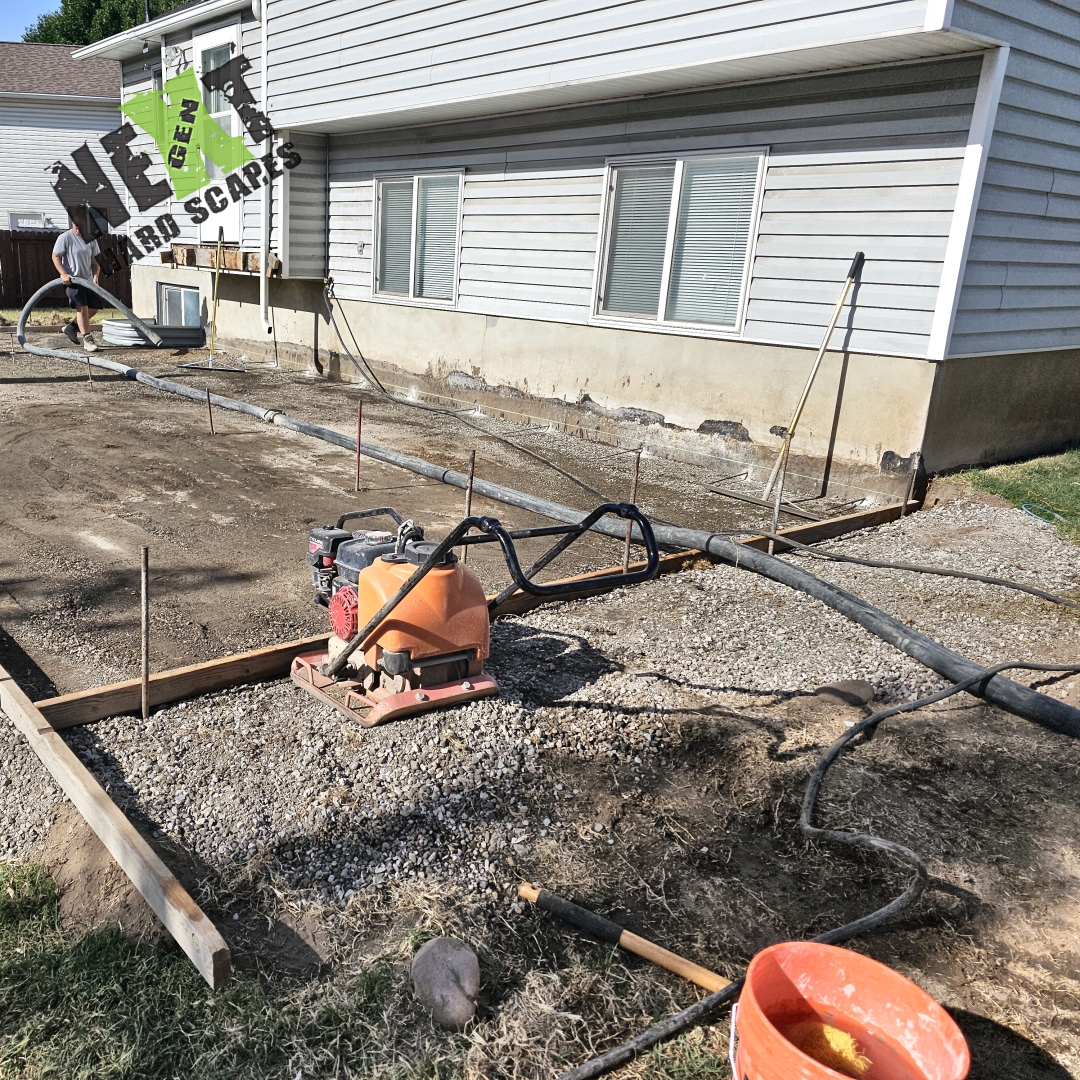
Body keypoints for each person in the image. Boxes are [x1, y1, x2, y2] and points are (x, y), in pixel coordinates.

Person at [51, 212, 103, 352]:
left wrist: (95, 277)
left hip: (86, 281)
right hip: (72, 281)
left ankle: (71, 327)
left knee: (94, 308)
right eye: (75, 225)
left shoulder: (91, 240)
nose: (78, 228)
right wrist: (64, 274)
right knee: (82, 308)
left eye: (81, 225)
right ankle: (87, 339)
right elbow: (56, 256)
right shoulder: (65, 238)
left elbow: (94, 262)